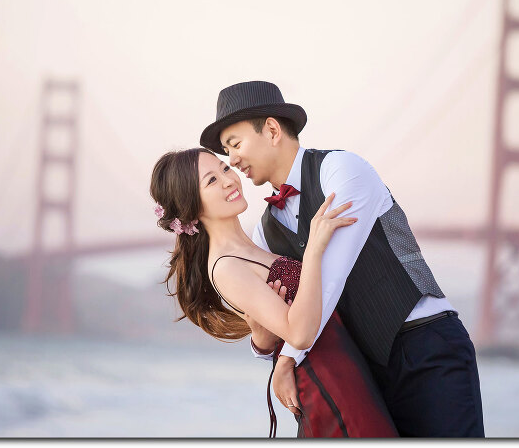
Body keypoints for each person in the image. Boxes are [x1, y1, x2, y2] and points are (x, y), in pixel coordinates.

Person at [198, 80, 485, 437]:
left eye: (235, 145)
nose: (233, 161)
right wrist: (262, 341)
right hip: (362, 371)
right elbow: (277, 320)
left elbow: (331, 276)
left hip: (425, 348)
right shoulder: (265, 231)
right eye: (226, 152)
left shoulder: (342, 170)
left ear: (271, 130)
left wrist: (287, 359)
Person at [150, 147, 399, 437]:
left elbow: (279, 329)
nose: (229, 180)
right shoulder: (225, 267)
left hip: (347, 367)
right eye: (211, 181)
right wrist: (315, 251)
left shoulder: (254, 246)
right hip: (327, 381)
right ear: (192, 206)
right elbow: (300, 334)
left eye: (225, 169)